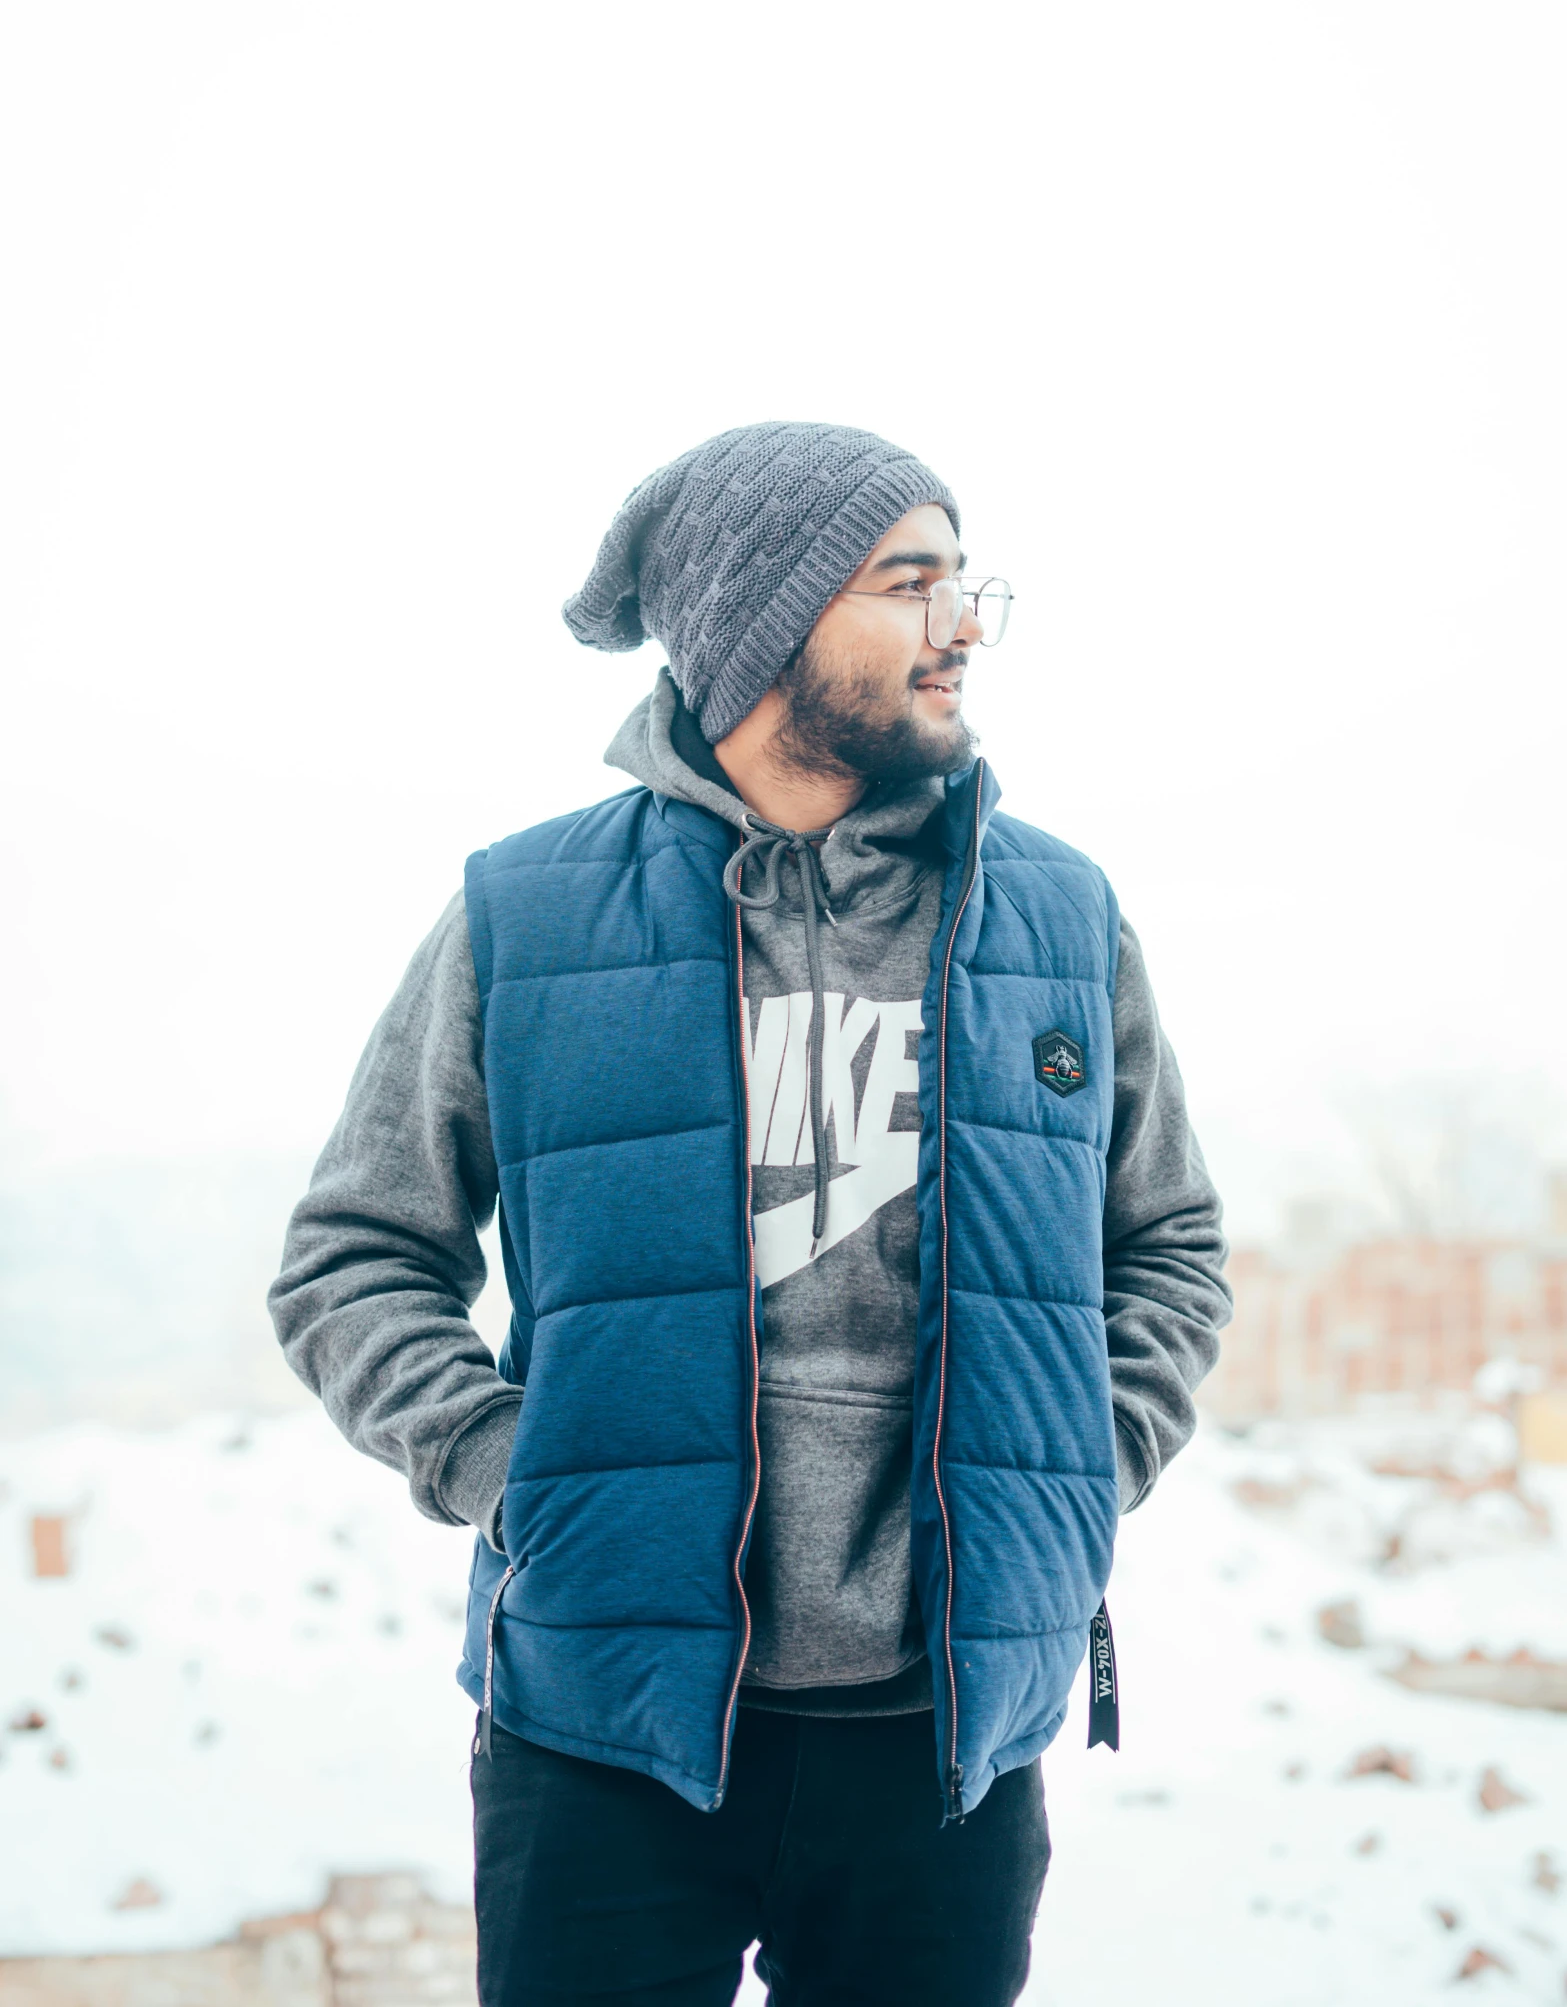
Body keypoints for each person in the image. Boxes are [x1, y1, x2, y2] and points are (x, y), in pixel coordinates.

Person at [270, 421, 1231, 2007]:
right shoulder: (528, 916)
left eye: (962, 578)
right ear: (767, 625)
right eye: (908, 581)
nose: (961, 625)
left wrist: (1071, 1475)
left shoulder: (1058, 918)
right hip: (603, 1732)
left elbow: (1168, 1247)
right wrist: (519, 1475)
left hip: (942, 1751)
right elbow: (355, 1255)